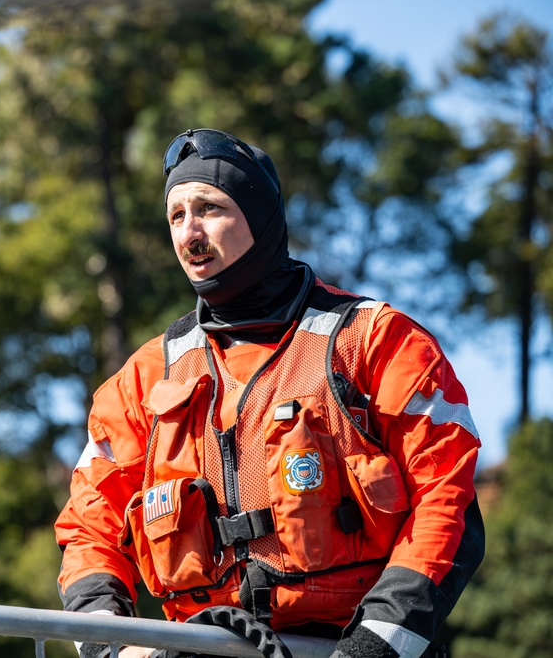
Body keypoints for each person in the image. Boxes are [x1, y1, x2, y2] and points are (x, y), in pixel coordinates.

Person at [54, 128, 485, 658]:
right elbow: (87, 526)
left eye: (209, 208)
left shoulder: (375, 340)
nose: (190, 234)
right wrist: (111, 644)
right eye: (176, 216)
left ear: (259, 217)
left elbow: (447, 500)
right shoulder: (144, 377)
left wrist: (374, 646)